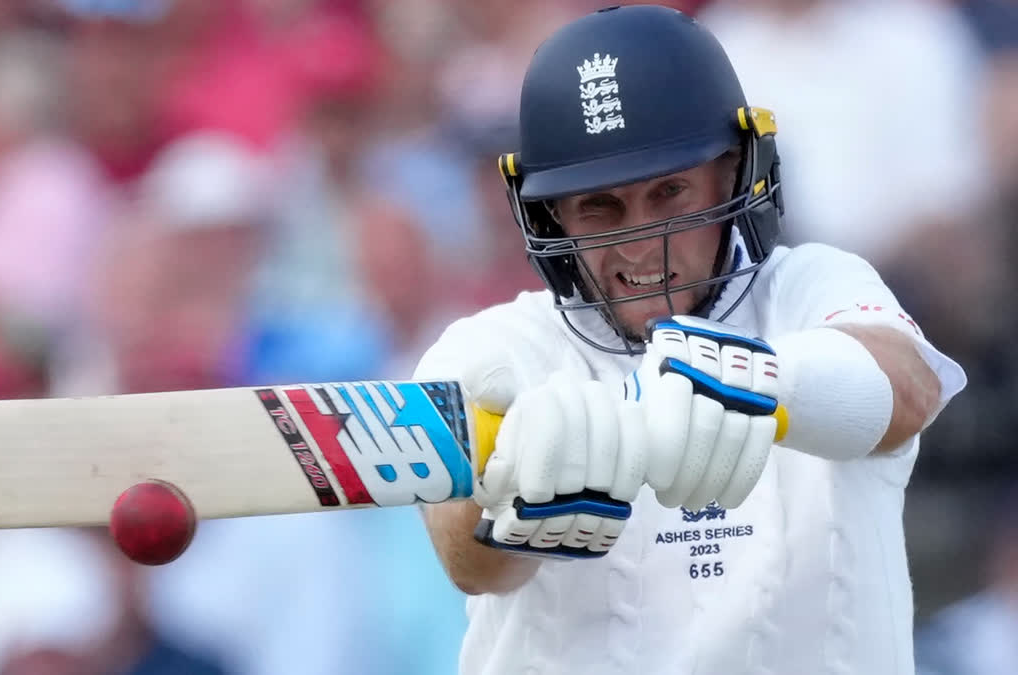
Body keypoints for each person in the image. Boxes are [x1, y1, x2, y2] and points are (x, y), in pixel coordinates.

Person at [413, 6, 966, 675]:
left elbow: (910, 388)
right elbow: (464, 560)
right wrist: (512, 502)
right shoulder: (497, 344)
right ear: (549, 214)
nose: (641, 242)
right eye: (599, 206)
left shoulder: (811, 286)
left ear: (733, 172)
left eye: (670, 192)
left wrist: (757, 385)